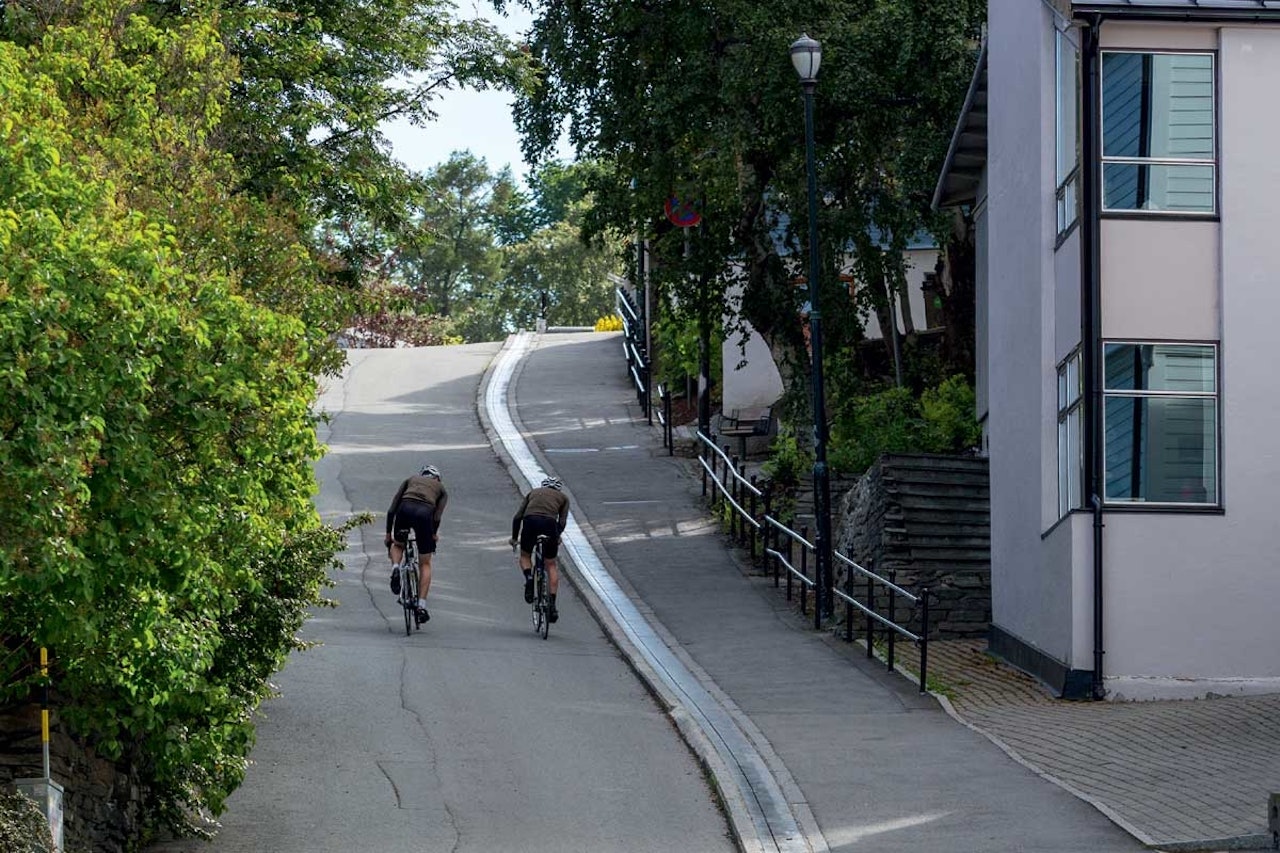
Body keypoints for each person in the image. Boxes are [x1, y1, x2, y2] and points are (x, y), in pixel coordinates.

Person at [385, 463, 448, 624]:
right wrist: (433, 534)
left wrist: (388, 534)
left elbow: (392, 509)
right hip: (424, 514)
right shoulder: (441, 489)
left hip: (404, 509)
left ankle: (396, 567)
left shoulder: (410, 480)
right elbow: (437, 517)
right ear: (437, 478)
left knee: (398, 544)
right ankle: (421, 606)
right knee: (425, 563)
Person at [510, 476, 570, 623]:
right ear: (558, 489)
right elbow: (562, 521)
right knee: (550, 564)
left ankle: (529, 578)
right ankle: (552, 605)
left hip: (530, 522)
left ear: (543, 486)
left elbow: (518, 517)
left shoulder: (533, 493)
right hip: (549, 525)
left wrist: (514, 538)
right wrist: (557, 535)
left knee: (525, 556)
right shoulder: (563, 498)